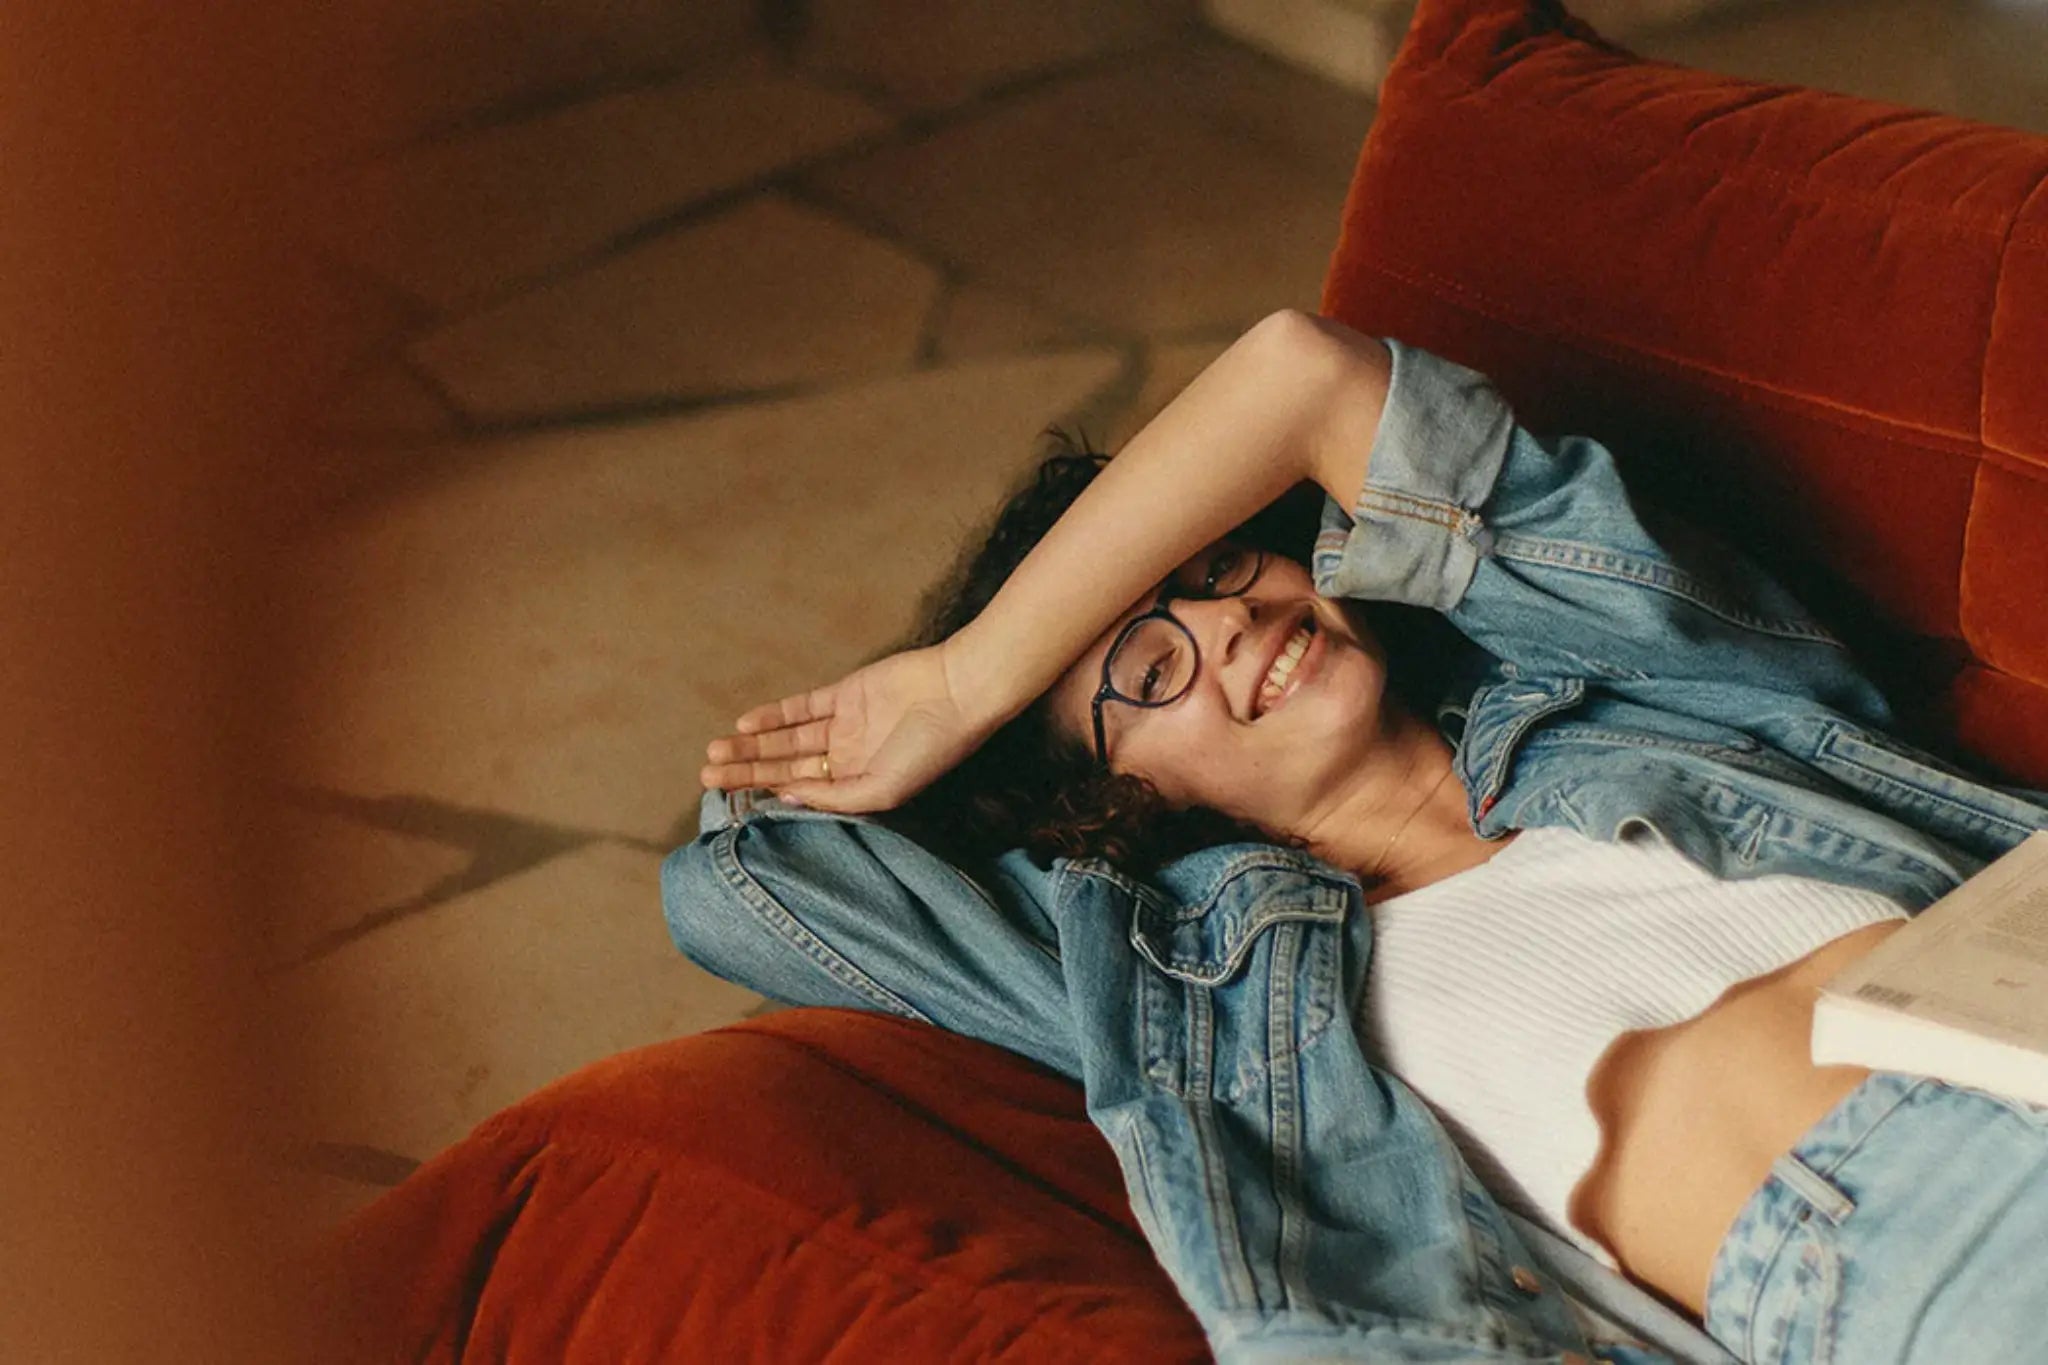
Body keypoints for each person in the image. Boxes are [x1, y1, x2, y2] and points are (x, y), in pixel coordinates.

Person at [673, 310, 2048, 1364]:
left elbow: (1305, 375)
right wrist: (954, 706)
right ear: (1109, 801)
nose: (1224, 625)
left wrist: (984, 666)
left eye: (1218, 570)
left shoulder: (1627, 683)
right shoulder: (1214, 985)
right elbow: (745, 875)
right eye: (1148, 671)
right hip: (1894, 1248)